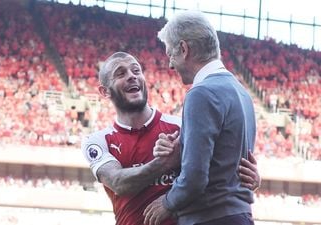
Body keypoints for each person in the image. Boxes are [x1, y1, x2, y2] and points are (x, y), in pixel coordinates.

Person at [81, 52, 260, 225]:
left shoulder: (181, 127)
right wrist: (165, 163)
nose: (132, 76)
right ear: (105, 92)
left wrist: (248, 178)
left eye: (136, 71)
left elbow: (213, 172)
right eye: (120, 73)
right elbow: (118, 182)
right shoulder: (98, 141)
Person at [143, 11, 257, 225]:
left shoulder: (201, 94)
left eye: (170, 54)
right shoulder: (242, 93)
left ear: (184, 49)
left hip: (209, 217)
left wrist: (167, 202)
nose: (170, 64)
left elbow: (195, 177)